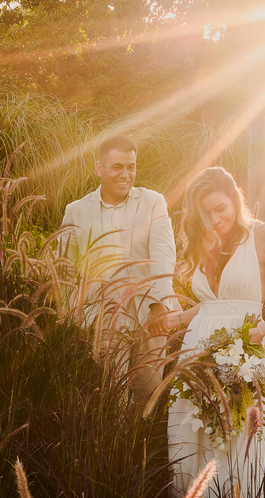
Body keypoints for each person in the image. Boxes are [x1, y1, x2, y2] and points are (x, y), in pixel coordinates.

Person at [165, 166, 265, 498]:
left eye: (220, 208)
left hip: (243, 351)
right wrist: (176, 322)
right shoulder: (201, 241)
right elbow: (211, 304)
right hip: (197, 354)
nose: (214, 219)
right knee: (186, 439)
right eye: (205, 213)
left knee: (231, 447)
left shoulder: (264, 235)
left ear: (236, 200)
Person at [59, 134, 179, 404]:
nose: (126, 174)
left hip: (150, 317)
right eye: (117, 167)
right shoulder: (76, 211)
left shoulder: (153, 202)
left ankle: (142, 446)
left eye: (131, 167)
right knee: (112, 401)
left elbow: (163, 255)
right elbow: (64, 270)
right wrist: (73, 319)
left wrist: (159, 304)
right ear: (100, 168)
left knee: (148, 396)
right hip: (103, 321)